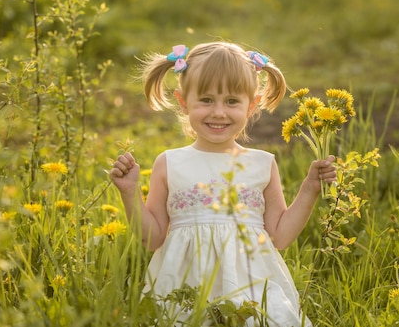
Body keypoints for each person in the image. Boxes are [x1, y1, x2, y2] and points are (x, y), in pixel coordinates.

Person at [110, 42, 336, 326]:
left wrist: (310, 189)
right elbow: (153, 238)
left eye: (231, 101)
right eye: (206, 100)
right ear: (183, 101)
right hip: (184, 290)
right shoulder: (169, 163)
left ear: (251, 105)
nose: (218, 112)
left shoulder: (262, 164)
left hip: (251, 288)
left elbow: (280, 236)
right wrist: (130, 193)